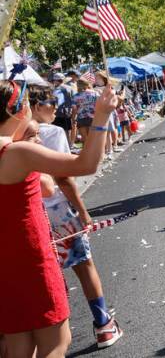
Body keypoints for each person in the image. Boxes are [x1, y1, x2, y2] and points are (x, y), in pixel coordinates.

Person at [0, 79, 118, 357]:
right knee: (56, 342)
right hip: (31, 260)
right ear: (19, 111)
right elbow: (85, 164)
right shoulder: (16, 152)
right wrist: (102, 115)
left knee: (20, 347)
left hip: (5, 263)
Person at [71, 78, 98, 148]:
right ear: (87, 84)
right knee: (92, 138)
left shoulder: (75, 96)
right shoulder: (94, 93)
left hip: (81, 118)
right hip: (93, 117)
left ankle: (85, 154)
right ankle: (93, 154)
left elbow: (74, 109)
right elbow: (98, 104)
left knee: (84, 138)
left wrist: (73, 118)